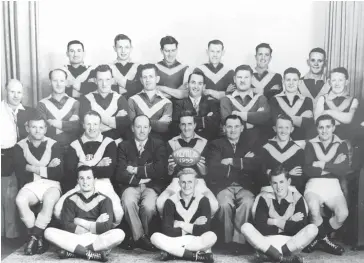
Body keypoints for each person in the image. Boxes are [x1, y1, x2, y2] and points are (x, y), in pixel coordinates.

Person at [54, 110, 123, 227]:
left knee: (118, 212)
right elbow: (70, 172)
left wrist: (82, 165)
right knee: (58, 210)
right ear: (83, 125)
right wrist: (98, 165)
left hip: (103, 183)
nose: (92, 128)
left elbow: (108, 171)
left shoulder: (109, 143)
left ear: (100, 125)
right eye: (88, 124)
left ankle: (100, 232)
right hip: (81, 184)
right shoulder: (74, 144)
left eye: (95, 124)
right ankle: (84, 229)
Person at [45, 165, 125, 262]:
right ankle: (92, 254)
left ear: (94, 180)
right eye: (81, 178)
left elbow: (106, 227)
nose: (85, 182)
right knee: (48, 232)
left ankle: (74, 252)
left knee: (119, 234)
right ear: (77, 181)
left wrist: (79, 221)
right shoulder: (70, 200)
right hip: (76, 237)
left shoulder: (105, 200)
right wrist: (95, 224)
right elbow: (66, 225)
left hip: (96, 239)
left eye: (88, 178)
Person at [205, 115, 260, 253]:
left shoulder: (250, 144)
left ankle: (239, 242)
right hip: (224, 186)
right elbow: (214, 168)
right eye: (229, 126)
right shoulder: (215, 145)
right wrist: (242, 162)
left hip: (245, 186)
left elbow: (256, 165)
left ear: (242, 128)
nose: (233, 130)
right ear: (224, 128)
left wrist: (231, 161)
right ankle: (227, 241)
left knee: (247, 202)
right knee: (224, 204)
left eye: (236, 126)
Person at [241, 166, 318, 263]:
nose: (278, 187)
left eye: (281, 182)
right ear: (270, 183)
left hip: (291, 243)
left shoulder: (298, 198)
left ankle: (274, 256)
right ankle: (283, 258)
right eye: (275, 183)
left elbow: (300, 227)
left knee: (313, 228)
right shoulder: (264, 198)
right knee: (245, 227)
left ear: (288, 182)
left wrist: (272, 221)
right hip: (267, 243)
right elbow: (260, 227)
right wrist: (289, 221)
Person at [115, 115, 167, 251]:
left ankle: (137, 237)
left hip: (151, 186)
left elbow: (160, 169)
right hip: (131, 186)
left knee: (148, 207)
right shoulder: (123, 146)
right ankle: (142, 238)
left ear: (150, 129)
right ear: (132, 128)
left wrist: (135, 170)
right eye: (138, 127)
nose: (142, 130)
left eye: (145, 127)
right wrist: (142, 177)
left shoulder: (158, 144)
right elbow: (120, 173)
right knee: (127, 202)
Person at [14, 114, 63, 255]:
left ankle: (33, 238)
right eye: (34, 127)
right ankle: (38, 237)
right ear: (27, 128)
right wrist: (47, 167)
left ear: (46, 129)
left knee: (49, 200)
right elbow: (20, 172)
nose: (37, 130)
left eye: (41, 127)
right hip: (32, 184)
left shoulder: (54, 144)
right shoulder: (20, 146)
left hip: (52, 184)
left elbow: (58, 173)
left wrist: (30, 167)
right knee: (20, 200)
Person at [156, 110, 219, 217]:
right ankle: (170, 226)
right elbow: (166, 174)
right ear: (179, 126)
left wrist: (203, 169)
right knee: (160, 203)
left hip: (198, 181)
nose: (186, 128)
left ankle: (202, 227)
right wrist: (170, 169)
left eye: (189, 124)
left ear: (194, 125)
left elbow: (209, 173)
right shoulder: (171, 143)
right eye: (183, 124)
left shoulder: (205, 143)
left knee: (213, 204)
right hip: (177, 181)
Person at [303, 114, 349, 255]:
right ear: (317, 129)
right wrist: (333, 166)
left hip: (333, 185)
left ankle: (319, 239)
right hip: (314, 184)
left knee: (343, 214)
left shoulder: (341, 144)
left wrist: (321, 164)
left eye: (328, 126)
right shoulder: (311, 144)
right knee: (313, 208)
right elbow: (308, 170)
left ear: (333, 127)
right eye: (321, 127)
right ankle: (326, 241)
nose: (324, 130)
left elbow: (344, 169)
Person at [151, 168, 217, 262]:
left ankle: (173, 253)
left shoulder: (203, 200)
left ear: (196, 183)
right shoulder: (170, 201)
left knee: (211, 236)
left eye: (190, 182)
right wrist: (194, 225)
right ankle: (195, 256)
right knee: (155, 237)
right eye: (183, 182)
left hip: (195, 240)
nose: (187, 186)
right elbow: (167, 230)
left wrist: (181, 224)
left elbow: (205, 229)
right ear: (178, 183)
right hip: (176, 239)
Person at [1, 79, 33, 239]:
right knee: (7, 196)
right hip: (4, 159)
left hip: (26, 158)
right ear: (5, 91)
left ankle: (25, 235)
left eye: (19, 92)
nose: (15, 95)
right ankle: (8, 236)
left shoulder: (28, 112)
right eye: (12, 91)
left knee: (24, 195)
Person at [79, 64, 132, 144]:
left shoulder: (120, 99)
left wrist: (97, 122)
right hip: (93, 143)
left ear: (112, 80)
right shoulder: (86, 99)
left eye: (107, 80)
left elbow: (124, 125)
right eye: (100, 80)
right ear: (95, 81)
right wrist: (114, 121)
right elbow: (88, 128)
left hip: (116, 143)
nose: (104, 84)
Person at [220, 65, 271, 146]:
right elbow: (228, 123)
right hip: (232, 146)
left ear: (252, 79)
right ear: (234, 79)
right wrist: (253, 122)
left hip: (257, 145)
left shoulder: (261, 98)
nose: (242, 80)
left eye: (246, 77)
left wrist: (237, 114)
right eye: (239, 77)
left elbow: (264, 117)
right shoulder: (226, 100)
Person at [259, 114, 305, 194]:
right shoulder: (265, 148)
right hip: (269, 189)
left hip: (290, 190)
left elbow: (298, 179)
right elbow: (262, 175)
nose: (283, 131)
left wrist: (271, 172)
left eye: (287, 127)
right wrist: (288, 173)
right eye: (280, 127)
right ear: (274, 129)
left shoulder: (298, 151)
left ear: (292, 129)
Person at [37, 68, 80, 148]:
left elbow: (76, 127)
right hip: (49, 149)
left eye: (62, 81)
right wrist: (67, 125)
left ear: (66, 83)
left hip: (71, 148)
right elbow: (42, 129)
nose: (58, 84)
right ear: (50, 82)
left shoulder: (74, 103)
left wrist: (54, 123)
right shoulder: (42, 104)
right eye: (55, 80)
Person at [171, 71, 220, 140]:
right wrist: (204, 120)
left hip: (207, 144)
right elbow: (175, 128)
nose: (196, 86)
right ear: (187, 85)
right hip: (185, 144)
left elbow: (215, 128)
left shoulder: (212, 103)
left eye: (200, 83)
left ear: (204, 87)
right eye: (193, 82)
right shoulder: (179, 104)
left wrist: (187, 122)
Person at [128, 64, 173, 140]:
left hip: (159, 144)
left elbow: (164, 128)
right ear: (141, 80)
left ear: (157, 79)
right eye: (145, 77)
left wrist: (140, 124)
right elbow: (132, 127)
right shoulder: (132, 100)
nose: (147, 80)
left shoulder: (167, 103)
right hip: (138, 144)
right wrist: (158, 122)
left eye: (151, 76)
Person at [314, 67, 359, 140]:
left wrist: (328, 112)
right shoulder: (323, 99)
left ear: (346, 82)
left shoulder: (353, 100)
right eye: (334, 80)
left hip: (345, 140)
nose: (337, 84)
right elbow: (317, 121)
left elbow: (349, 119)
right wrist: (342, 119)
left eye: (340, 80)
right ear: (329, 82)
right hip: (325, 139)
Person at [270, 67, 314, 140]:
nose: (291, 83)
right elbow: (276, 121)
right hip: (280, 141)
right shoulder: (274, 99)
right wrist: (299, 119)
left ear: (299, 82)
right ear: (283, 81)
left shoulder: (307, 100)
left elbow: (308, 124)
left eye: (294, 80)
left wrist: (283, 116)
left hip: (300, 140)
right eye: (288, 80)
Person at [155, 36, 190, 100]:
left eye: (173, 50)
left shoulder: (184, 69)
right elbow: (151, 92)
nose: (170, 54)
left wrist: (162, 88)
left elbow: (185, 94)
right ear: (161, 51)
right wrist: (176, 92)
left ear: (177, 50)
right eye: (167, 51)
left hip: (179, 106)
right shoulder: (155, 68)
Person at [109, 34, 143, 98]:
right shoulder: (108, 67)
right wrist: (131, 86)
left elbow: (141, 87)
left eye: (126, 47)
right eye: (120, 47)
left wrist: (116, 85)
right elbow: (101, 87)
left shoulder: (139, 67)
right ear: (114, 48)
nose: (123, 51)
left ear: (131, 48)